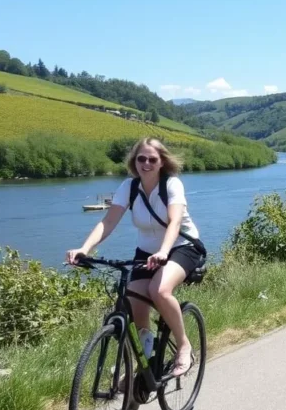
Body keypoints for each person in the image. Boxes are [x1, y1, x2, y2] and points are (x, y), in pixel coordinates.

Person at [66, 137, 204, 380]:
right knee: (132, 296)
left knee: (159, 290)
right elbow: (108, 221)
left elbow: (174, 222)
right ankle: (144, 356)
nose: (146, 163)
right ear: (134, 161)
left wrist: (163, 251)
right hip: (147, 251)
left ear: (162, 162)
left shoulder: (172, 185)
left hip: (181, 247)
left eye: (152, 159)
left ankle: (184, 346)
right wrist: (84, 249)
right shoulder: (129, 187)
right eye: (141, 158)